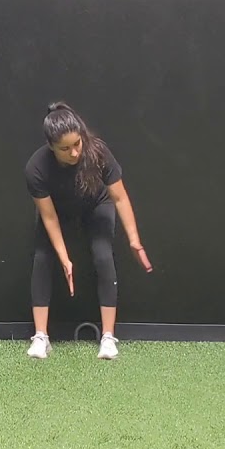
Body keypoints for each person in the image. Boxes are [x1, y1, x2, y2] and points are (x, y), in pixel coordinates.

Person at [23, 102, 153, 359]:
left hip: (96, 205)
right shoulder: (36, 168)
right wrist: (64, 258)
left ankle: (108, 337)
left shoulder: (98, 152)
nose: (74, 153)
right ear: (51, 146)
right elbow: (49, 217)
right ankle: (41, 337)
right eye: (65, 149)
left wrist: (134, 240)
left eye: (77, 144)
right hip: (58, 211)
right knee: (42, 257)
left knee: (103, 255)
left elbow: (120, 198)